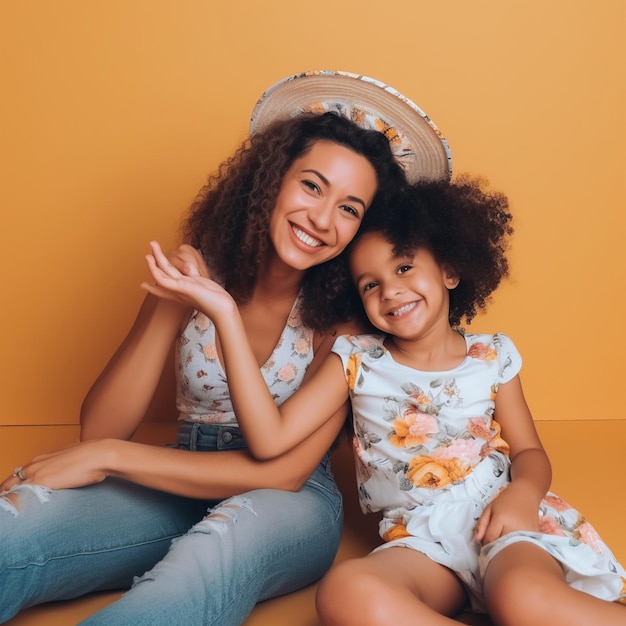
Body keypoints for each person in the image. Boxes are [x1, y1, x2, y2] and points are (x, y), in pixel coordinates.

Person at [0, 71, 452, 625]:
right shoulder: (199, 277)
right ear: (270, 181)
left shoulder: (349, 324)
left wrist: (110, 458)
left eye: (349, 209)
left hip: (289, 502)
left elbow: (281, 472)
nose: (321, 219)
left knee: (202, 561)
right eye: (312, 186)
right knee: (16, 525)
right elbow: (99, 433)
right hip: (172, 474)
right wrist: (173, 302)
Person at [147, 176, 626, 625]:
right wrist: (225, 315)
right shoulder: (355, 360)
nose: (391, 290)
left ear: (451, 271)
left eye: (404, 267)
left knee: (520, 597)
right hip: (420, 540)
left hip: (501, 519)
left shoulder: (492, 355)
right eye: (370, 284)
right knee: (347, 589)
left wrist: (524, 494)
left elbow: (528, 453)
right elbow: (269, 438)